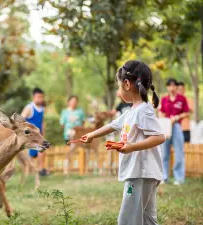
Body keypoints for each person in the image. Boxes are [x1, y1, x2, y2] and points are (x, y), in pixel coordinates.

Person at [81, 60, 165, 225]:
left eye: (118, 87)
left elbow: (159, 137)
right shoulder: (131, 112)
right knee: (147, 219)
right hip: (141, 173)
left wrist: (131, 147)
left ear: (127, 84)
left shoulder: (144, 110)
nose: (118, 91)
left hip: (140, 173)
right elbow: (112, 125)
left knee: (126, 220)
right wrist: (91, 135)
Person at [159, 78, 189, 185]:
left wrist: (177, 117)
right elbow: (160, 112)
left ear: (176, 87)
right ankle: (163, 177)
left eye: (174, 85)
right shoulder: (164, 99)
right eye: (170, 85)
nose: (172, 88)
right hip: (166, 126)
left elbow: (186, 113)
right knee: (164, 153)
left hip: (177, 126)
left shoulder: (182, 99)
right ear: (167, 87)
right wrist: (164, 118)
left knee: (179, 152)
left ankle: (179, 177)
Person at [21, 87, 48, 176]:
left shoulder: (42, 108)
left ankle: (41, 169)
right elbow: (21, 119)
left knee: (42, 149)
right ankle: (33, 170)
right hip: (30, 135)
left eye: (41, 97)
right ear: (33, 96)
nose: (40, 99)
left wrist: (43, 133)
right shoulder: (29, 108)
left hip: (39, 135)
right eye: (38, 97)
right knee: (33, 154)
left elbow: (42, 121)